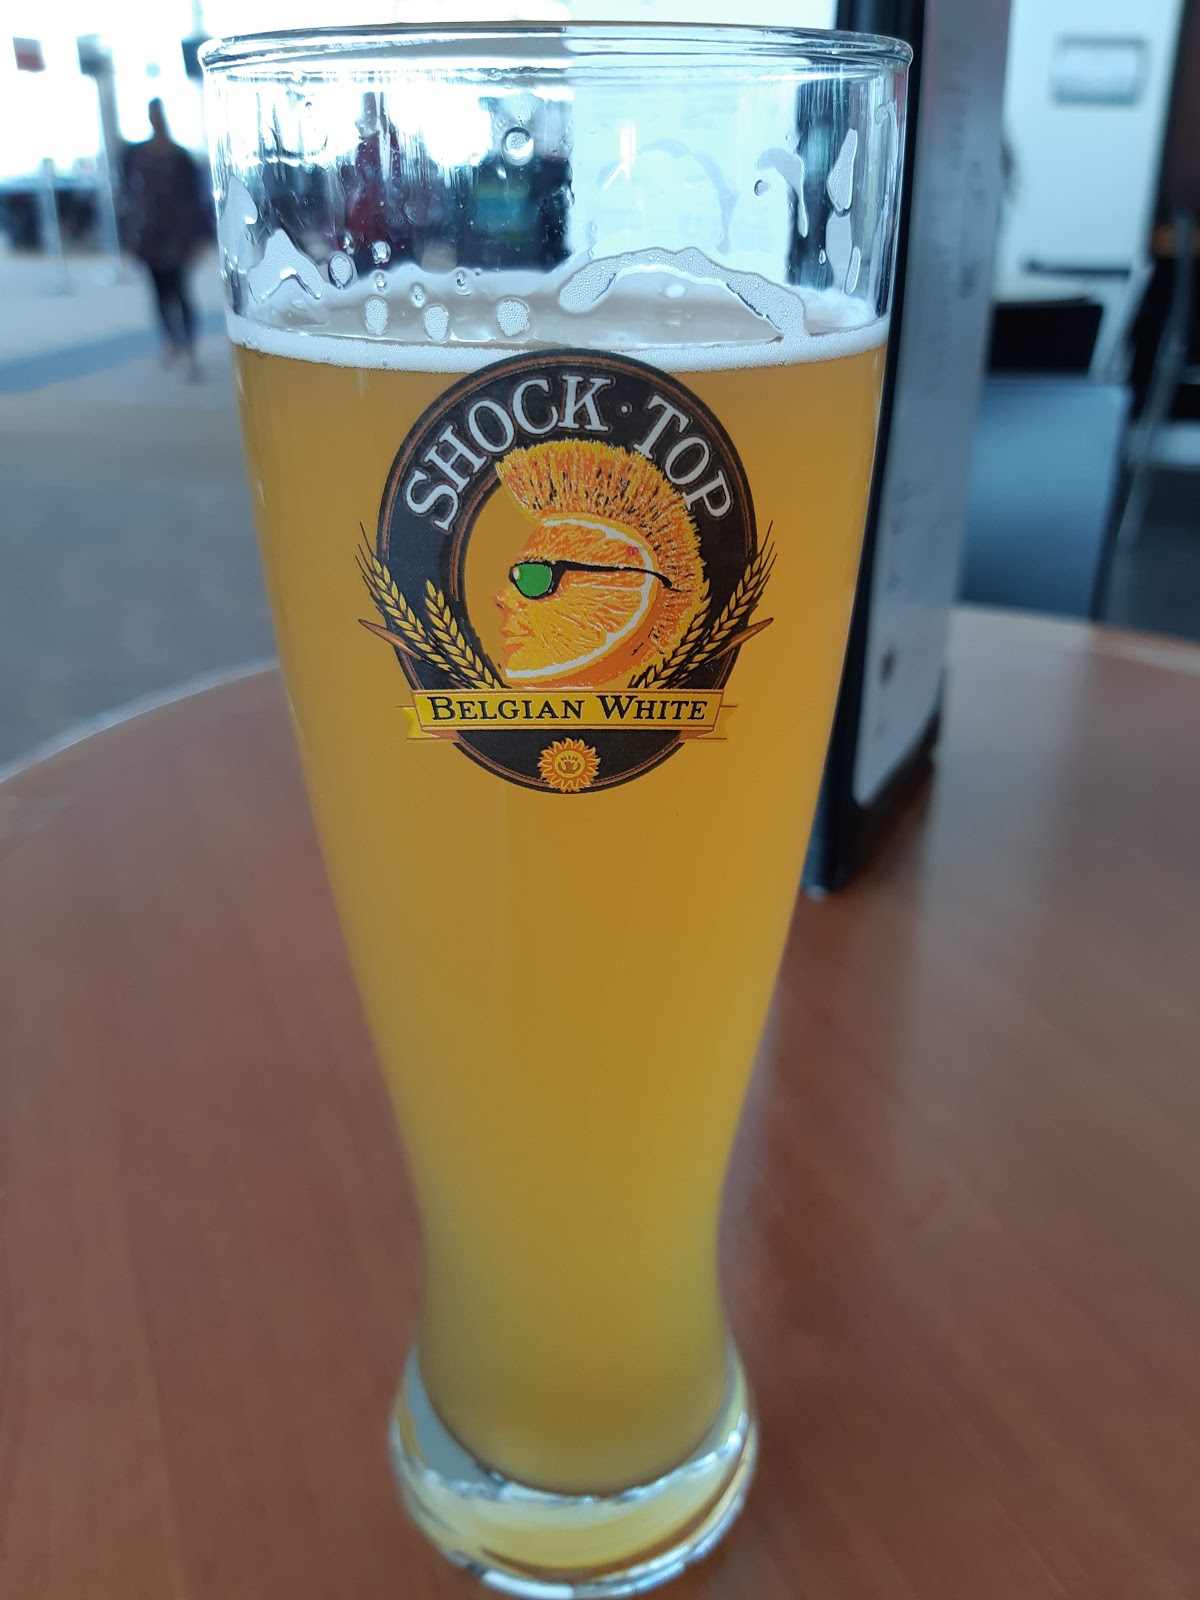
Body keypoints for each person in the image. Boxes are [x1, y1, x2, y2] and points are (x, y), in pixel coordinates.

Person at [121, 99, 205, 379]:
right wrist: (130, 235)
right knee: (159, 293)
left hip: (178, 236)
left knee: (181, 292)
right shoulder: (135, 155)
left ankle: (188, 346)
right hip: (149, 236)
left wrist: (197, 237)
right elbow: (131, 197)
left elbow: (194, 199)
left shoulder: (180, 157)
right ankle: (171, 340)